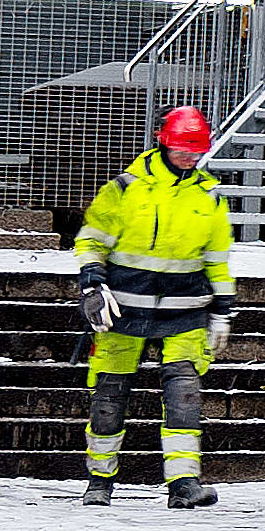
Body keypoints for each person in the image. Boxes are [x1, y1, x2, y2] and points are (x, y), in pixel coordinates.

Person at [74, 100, 239, 507]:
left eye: (196, 149)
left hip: (185, 310)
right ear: (163, 142)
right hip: (122, 308)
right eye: (183, 147)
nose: (189, 156)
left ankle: (184, 485)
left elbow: (217, 258)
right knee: (109, 394)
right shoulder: (125, 189)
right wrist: (93, 286)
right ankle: (100, 479)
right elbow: (91, 240)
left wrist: (222, 310)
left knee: (184, 394)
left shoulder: (210, 197)